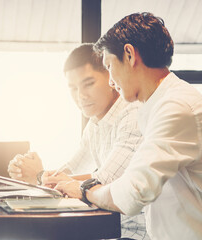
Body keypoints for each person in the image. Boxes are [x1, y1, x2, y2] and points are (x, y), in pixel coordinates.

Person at [55, 12, 202, 239]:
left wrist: (85, 190)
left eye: (110, 66)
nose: (111, 81)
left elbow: (133, 192)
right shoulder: (157, 105)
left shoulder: (176, 106)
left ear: (129, 54)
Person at [9, 44, 148, 239]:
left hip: (140, 232)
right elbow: (69, 171)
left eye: (88, 83)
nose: (80, 96)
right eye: (73, 88)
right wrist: (33, 174)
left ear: (111, 76)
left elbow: (103, 182)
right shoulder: (94, 124)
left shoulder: (132, 113)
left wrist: (41, 176)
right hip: (113, 228)